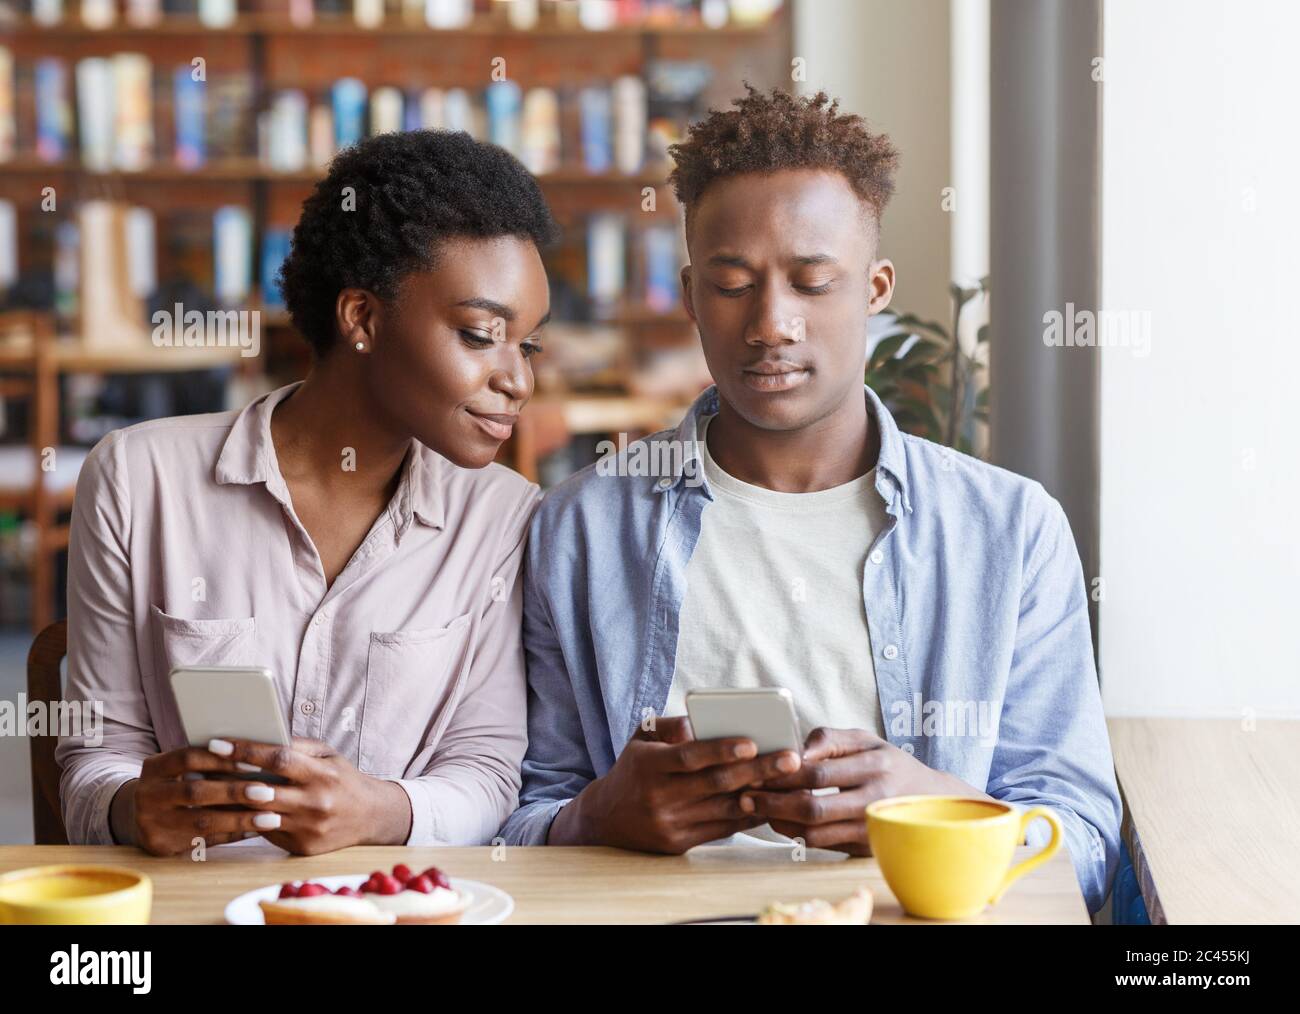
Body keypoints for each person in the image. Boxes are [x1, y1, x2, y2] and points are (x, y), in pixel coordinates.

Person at [499, 85, 1122, 915]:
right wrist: (596, 816)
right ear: (689, 295)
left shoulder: (1010, 532)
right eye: (730, 284)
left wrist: (932, 813)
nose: (770, 324)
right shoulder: (578, 529)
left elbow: (1080, 842)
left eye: (812, 281)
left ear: (874, 288)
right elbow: (519, 822)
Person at [56, 129, 557, 855]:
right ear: (362, 318)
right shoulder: (138, 481)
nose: (519, 380)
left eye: (528, 344)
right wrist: (135, 808)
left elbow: (489, 774)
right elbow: (92, 763)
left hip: (396, 909)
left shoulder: (504, 517)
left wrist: (377, 812)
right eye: (482, 335)